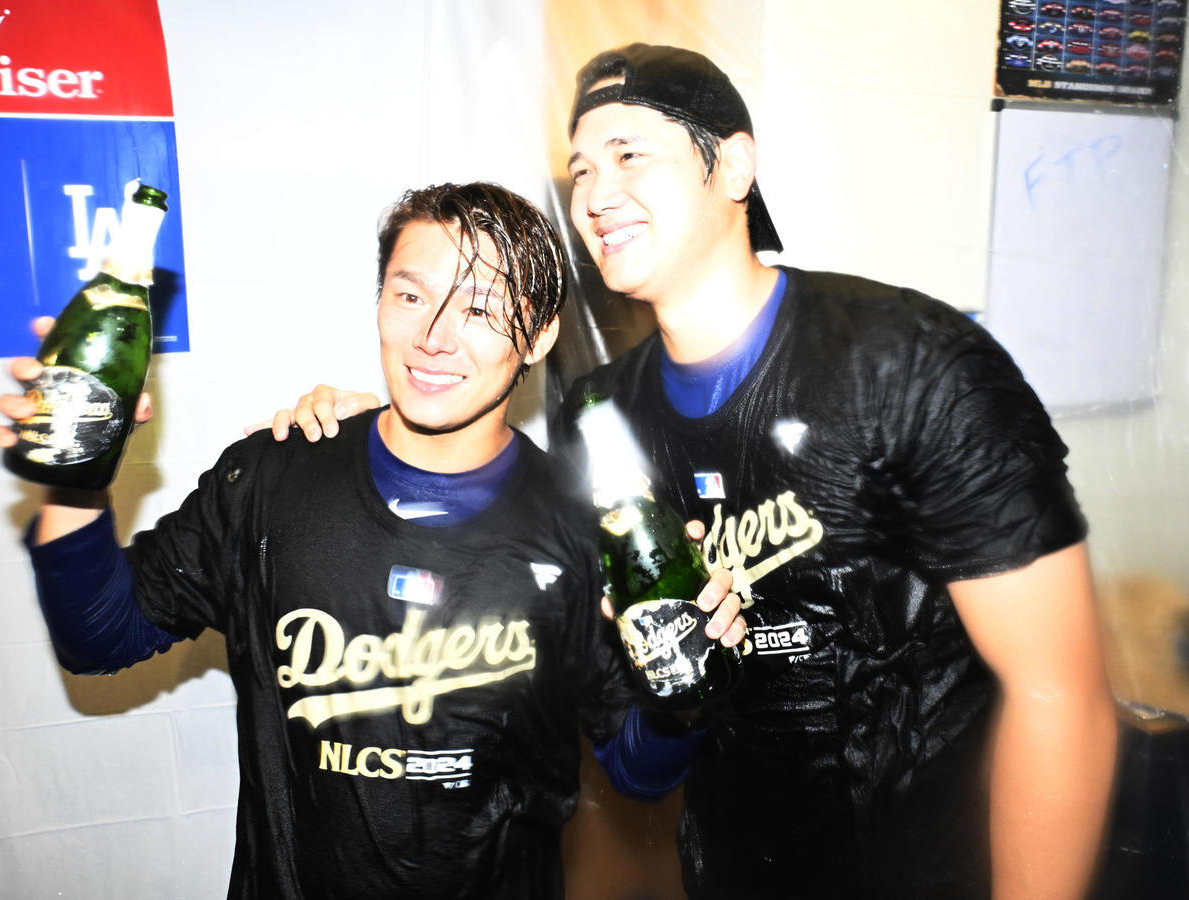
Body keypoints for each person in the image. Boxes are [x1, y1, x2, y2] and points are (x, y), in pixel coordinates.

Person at [272, 46, 1118, 900]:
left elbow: (1060, 694)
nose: (595, 195)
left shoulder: (907, 365)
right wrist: (384, 435)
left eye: (629, 154)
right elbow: (633, 733)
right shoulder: (601, 417)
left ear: (735, 166)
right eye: (581, 169)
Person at [0, 181, 742, 899]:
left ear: (540, 335)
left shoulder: (587, 529)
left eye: (481, 308)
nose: (434, 338)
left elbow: (642, 771)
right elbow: (97, 635)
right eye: (410, 296)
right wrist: (77, 473)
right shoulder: (273, 478)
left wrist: (688, 677)